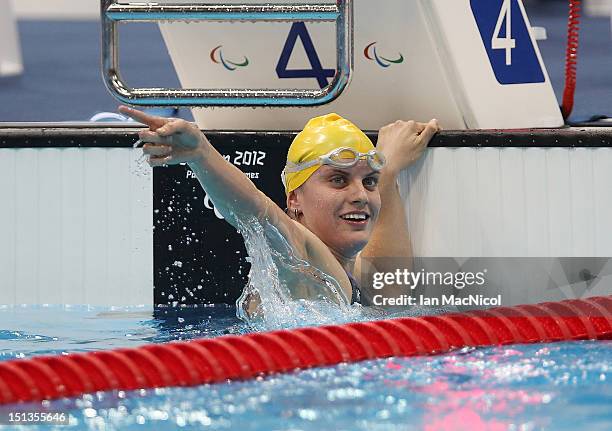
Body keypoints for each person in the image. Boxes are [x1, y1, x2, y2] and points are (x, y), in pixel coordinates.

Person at [119, 106, 440, 314]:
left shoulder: (354, 276)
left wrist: (389, 168)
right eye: (338, 180)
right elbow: (258, 212)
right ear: (294, 199)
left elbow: (392, 287)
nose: (360, 195)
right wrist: (202, 154)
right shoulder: (301, 257)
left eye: (368, 182)